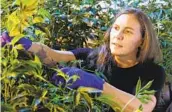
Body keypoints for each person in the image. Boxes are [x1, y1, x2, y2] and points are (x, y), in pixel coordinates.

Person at [1, 8, 166, 112]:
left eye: (128, 31)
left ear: (142, 41)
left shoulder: (153, 72)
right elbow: (54, 55)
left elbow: (142, 108)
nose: (118, 35)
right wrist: (27, 45)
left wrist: (98, 86)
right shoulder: (94, 56)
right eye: (116, 28)